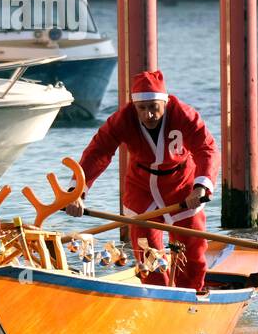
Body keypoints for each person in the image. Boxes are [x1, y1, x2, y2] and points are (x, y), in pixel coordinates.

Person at [65, 69, 220, 291]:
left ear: (164, 103)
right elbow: (98, 152)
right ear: (134, 106)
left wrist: (201, 187)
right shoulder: (123, 118)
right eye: (142, 108)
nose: (148, 115)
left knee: (191, 250)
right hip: (141, 187)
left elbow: (207, 148)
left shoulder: (183, 114)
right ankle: (157, 296)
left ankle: (192, 296)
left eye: (153, 107)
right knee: (147, 252)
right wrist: (77, 192)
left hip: (182, 185)